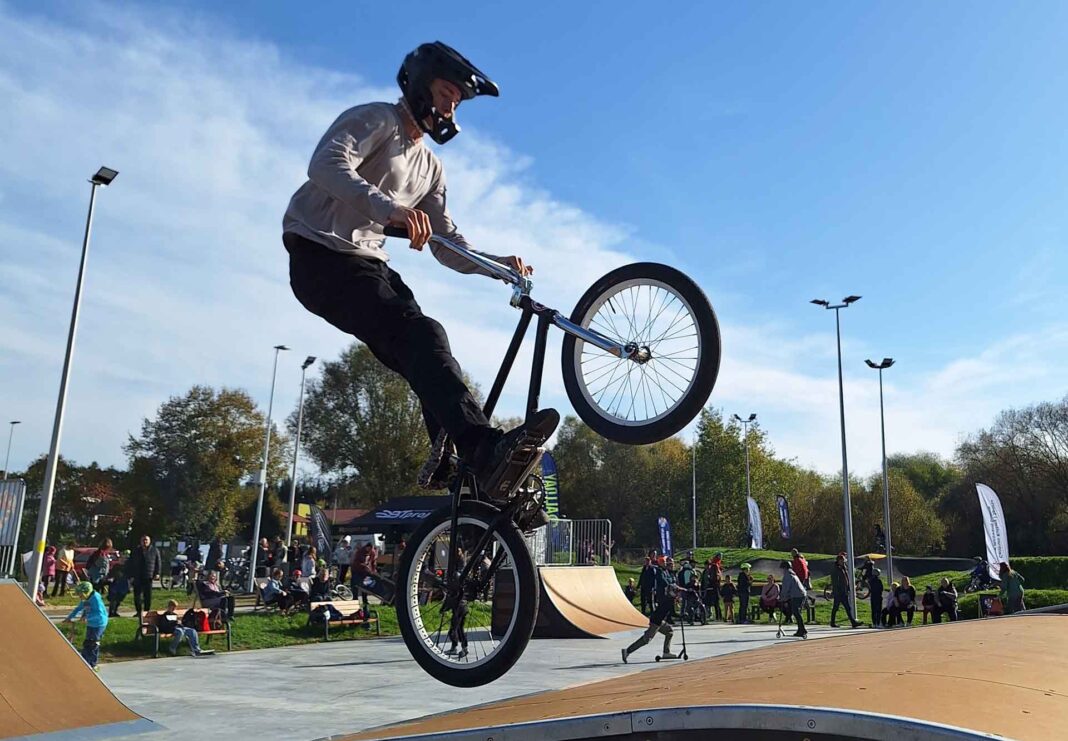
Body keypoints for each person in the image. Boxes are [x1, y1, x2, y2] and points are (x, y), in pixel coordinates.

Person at [282, 41, 558, 517]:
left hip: (366, 262)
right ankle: (482, 448)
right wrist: (390, 210)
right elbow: (324, 164)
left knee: (429, 343)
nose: (451, 108)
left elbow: (446, 245)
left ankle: (467, 474)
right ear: (420, 85)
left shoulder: (431, 168)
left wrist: (496, 265)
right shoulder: (377, 119)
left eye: (457, 102)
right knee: (417, 334)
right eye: (447, 94)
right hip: (318, 253)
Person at [622, 557, 678, 662]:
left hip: (659, 620)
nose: (668, 564)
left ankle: (666, 652)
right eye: (666, 563)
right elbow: (665, 583)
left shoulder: (667, 577)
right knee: (646, 639)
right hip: (656, 620)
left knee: (669, 631)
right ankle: (627, 651)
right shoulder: (666, 596)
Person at [63, 581, 108, 670]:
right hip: (91, 623)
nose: (80, 597)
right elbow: (78, 609)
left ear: (86, 592)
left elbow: (100, 615)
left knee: (93, 643)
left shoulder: (95, 599)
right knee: (87, 642)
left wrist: (88, 619)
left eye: (81, 595)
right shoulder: (85, 599)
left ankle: (93, 664)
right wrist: (69, 618)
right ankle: (85, 660)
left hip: (99, 623)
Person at [127, 534, 161, 616]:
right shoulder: (136, 551)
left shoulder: (154, 550)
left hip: (148, 576)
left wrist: (157, 573)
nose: (145, 541)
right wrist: (130, 575)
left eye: (146, 540)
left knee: (147, 595)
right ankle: (138, 612)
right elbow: (130, 563)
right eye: (143, 540)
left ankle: (146, 611)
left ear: (149, 541)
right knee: (137, 595)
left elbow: (158, 562)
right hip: (137, 576)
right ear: (141, 541)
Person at [829, 552, 861, 629]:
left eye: (844, 560)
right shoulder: (836, 569)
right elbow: (835, 581)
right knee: (839, 607)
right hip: (839, 592)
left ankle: (851, 622)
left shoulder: (843, 568)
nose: (843, 562)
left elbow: (846, 579)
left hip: (844, 591)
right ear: (838, 561)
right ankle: (852, 622)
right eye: (842, 560)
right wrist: (837, 591)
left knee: (844, 607)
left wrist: (848, 588)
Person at [779, 561, 807, 638]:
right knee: (796, 612)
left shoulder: (788, 576)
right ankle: (801, 629)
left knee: (796, 612)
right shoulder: (792, 574)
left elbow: (786, 588)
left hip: (797, 595)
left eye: (782, 568)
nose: (781, 570)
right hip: (800, 594)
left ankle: (802, 630)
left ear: (785, 568)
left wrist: (782, 597)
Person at [703, 553, 723, 621]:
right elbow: (715, 577)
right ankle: (718, 616)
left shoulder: (715, 565)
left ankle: (718, 616)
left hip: (713, 586)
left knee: (715, 602)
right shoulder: (715, 565)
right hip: (715, 586)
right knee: (716, 602)